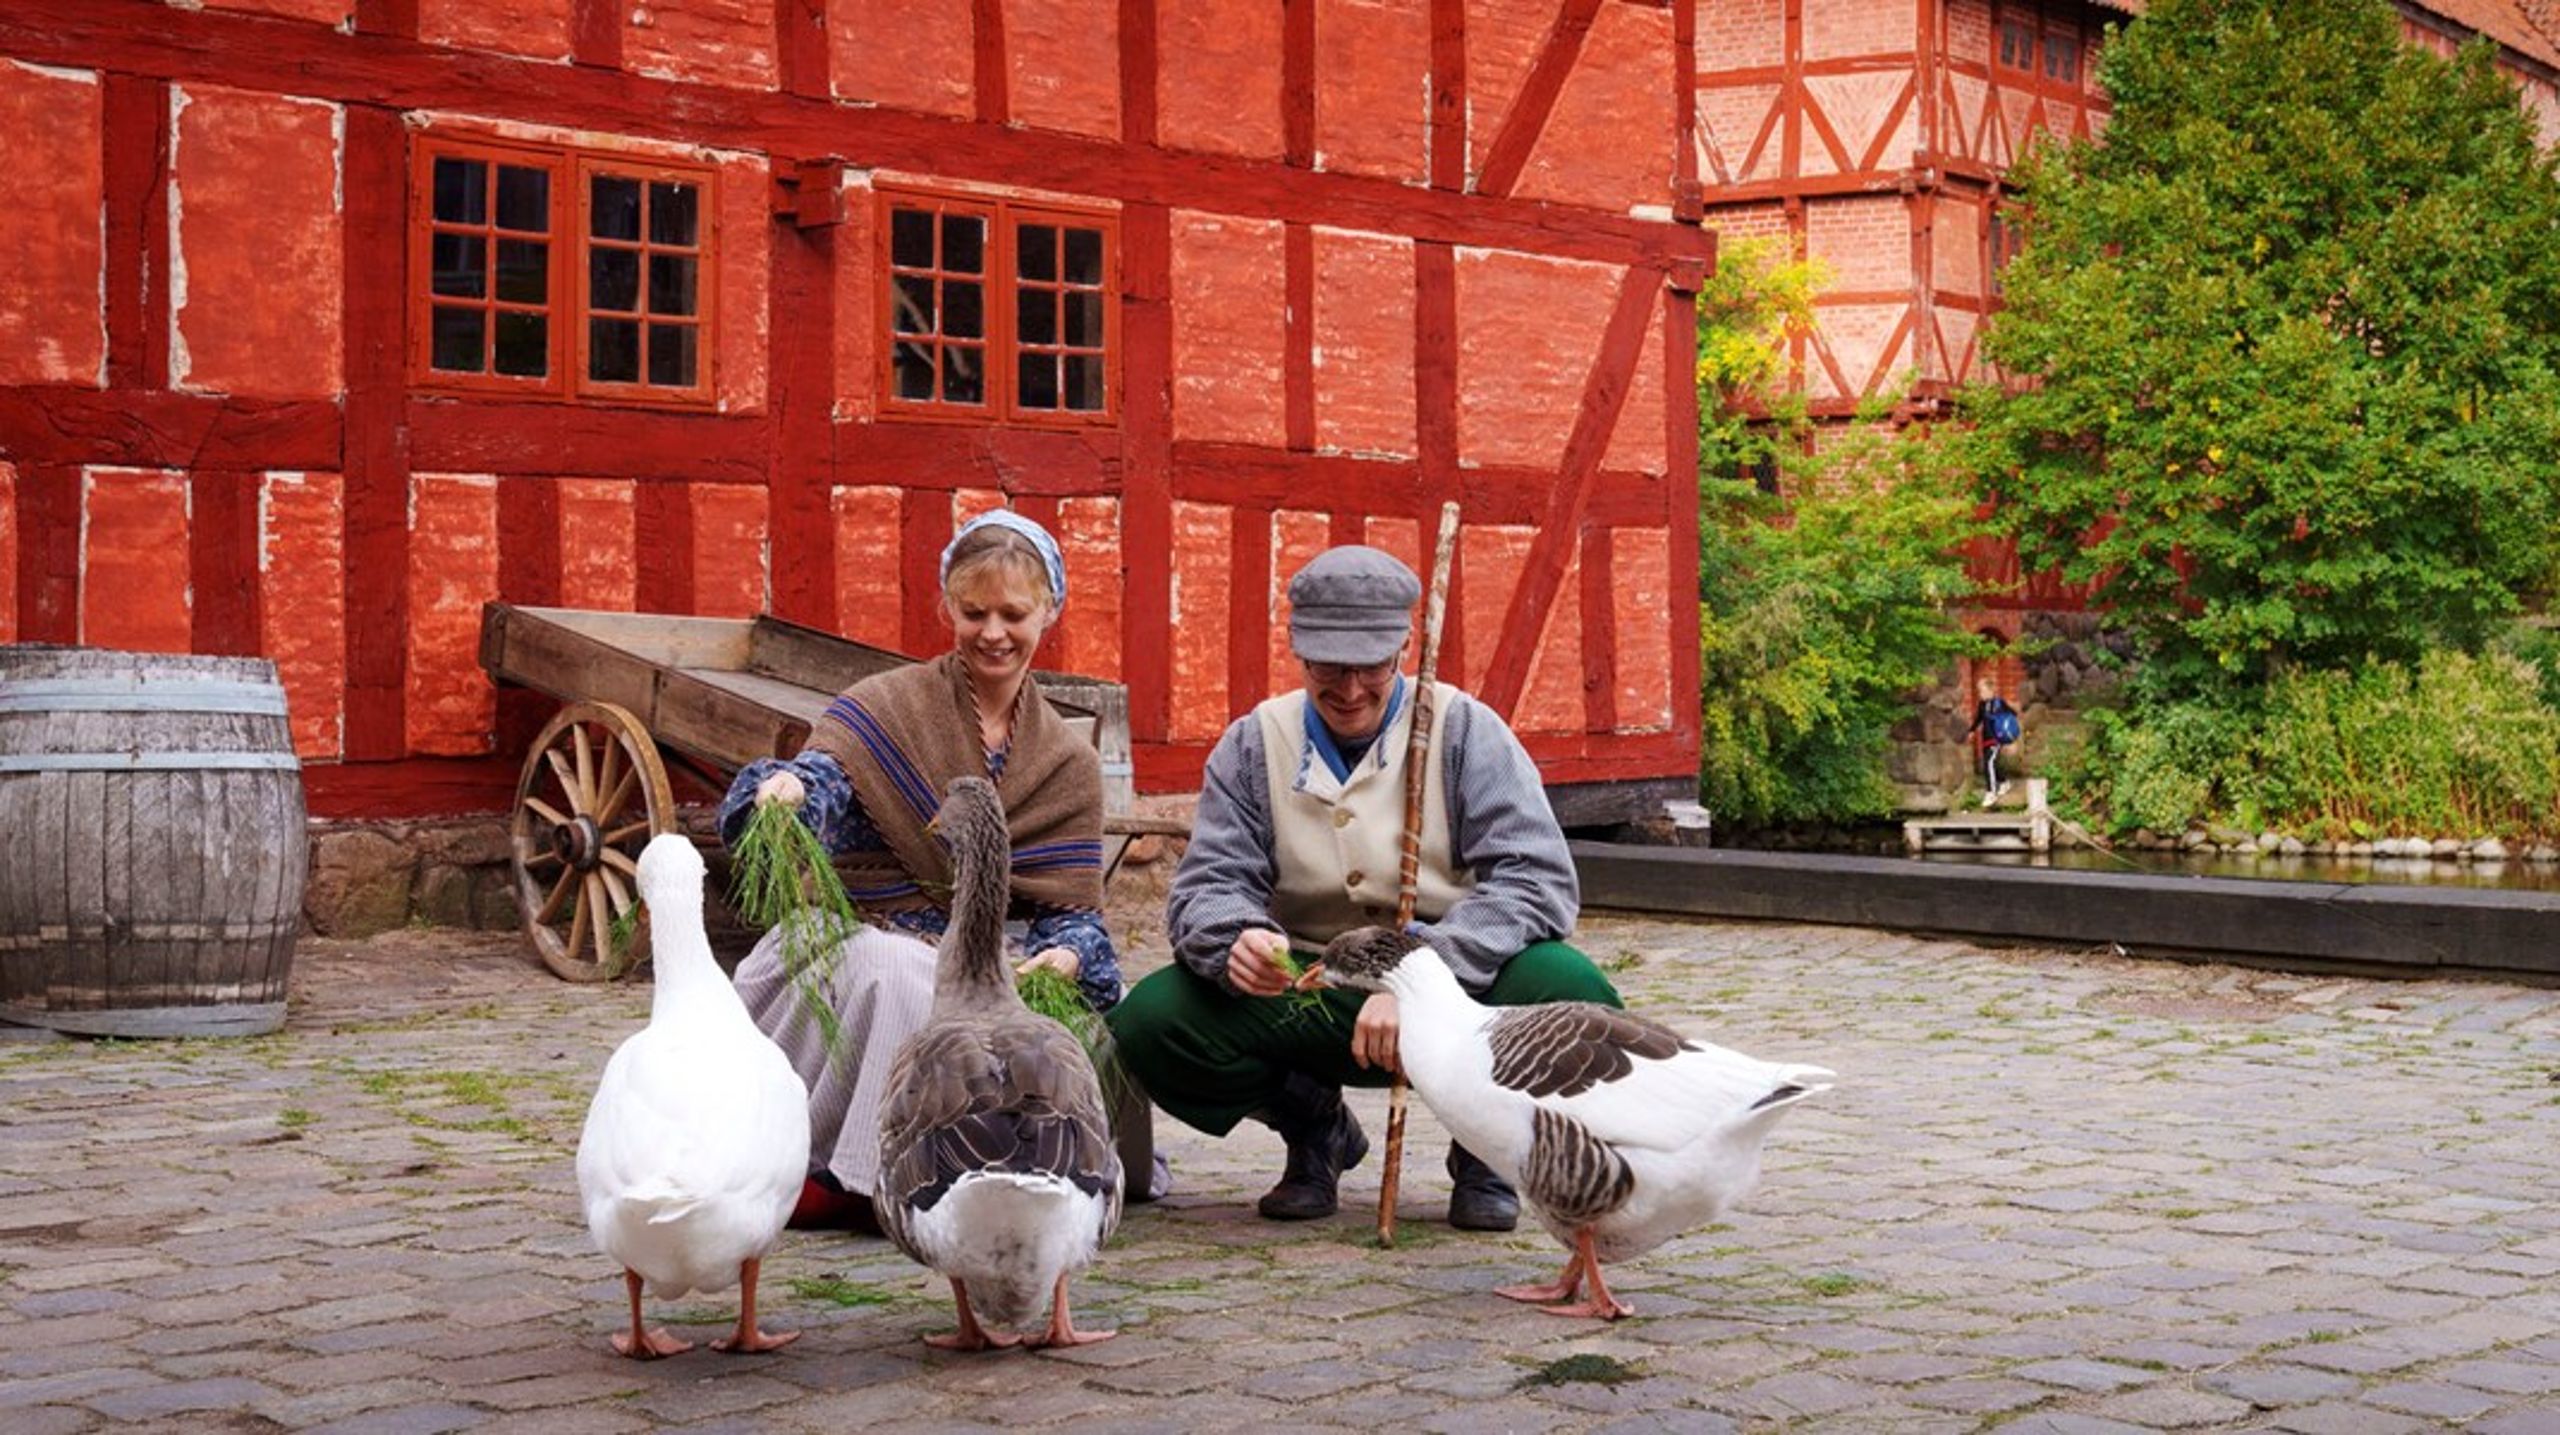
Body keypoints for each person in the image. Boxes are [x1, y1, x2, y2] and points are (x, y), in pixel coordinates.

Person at [1106, 545, 1623, 1231]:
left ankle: (1486, 1148)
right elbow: (1208, 886)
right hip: (1312, 988)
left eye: (1371, 666)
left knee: (1569, 983)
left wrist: (1415, 975)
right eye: (1328, 666)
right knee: (1153, 1017)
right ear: (1296, 648)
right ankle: (1314, 1126)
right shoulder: (1254, 743)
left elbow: (1539, 881)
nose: (1350, 688)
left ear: (1406, 647)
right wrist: (1234, 938)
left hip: (1456, 990)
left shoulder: (1466, 730)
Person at [717, 510, 1122, 1233]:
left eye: (1013, 613)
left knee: (1059, 1033)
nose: (993, 632)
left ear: (1049, 612)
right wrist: (791, 794)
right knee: (898, 971)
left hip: (980, 959)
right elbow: (828, 780)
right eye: (974, 611)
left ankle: (1021, 1173)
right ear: (946, 607)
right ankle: (872, 1176)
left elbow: (1075, 915)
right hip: (852, 936)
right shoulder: (885, 706)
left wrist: (1064, 956)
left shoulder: (1067, 761)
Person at [1965, 675, 2020, 806]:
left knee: (1989, 763)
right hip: (1986, 738)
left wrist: (2010, 738)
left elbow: (2012, 715)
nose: (1980, 694)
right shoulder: (1982, 705)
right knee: (1990, 764)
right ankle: (2004, 782)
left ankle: (1991, 792)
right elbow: (1978, 719)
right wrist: (1972, 731)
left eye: (1982, 691)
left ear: (1990, 690)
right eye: (1979, 691)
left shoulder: (1999, 703)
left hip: (1996, 739)